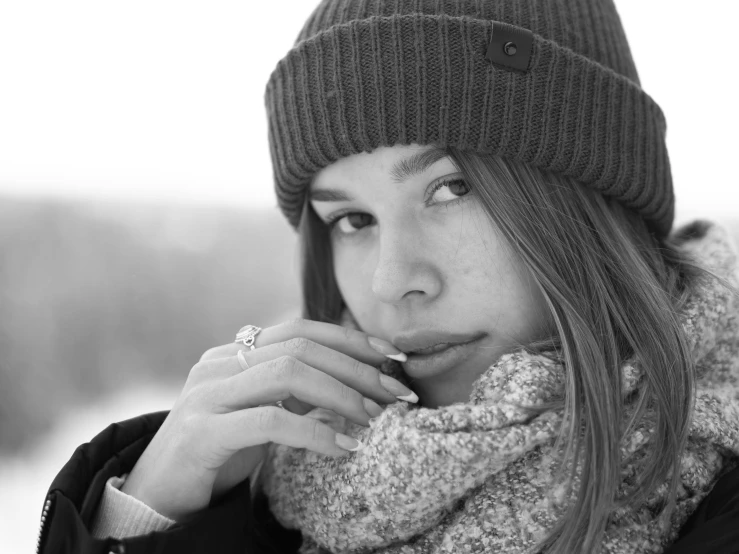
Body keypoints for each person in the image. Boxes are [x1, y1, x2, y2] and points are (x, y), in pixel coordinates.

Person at [37, 0, 739, 552]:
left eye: (452, 189)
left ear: (590, 200)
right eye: (352, 220)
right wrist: (152, 514)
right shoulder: (280, 482)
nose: (391, 282)